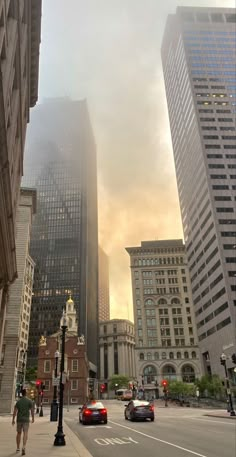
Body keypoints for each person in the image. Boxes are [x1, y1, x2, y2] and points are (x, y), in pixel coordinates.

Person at [12, 388, 34, 455]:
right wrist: (33, 418)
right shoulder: (29, 401)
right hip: (26, 420)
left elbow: (15, 411)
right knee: (25, 433)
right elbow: (32, 411)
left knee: (19, 433)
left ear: (21, 393)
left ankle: (18, 448)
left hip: (19, 419)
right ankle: (24, 447)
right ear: (26, 393)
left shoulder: (18, 401)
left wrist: (13, 419)